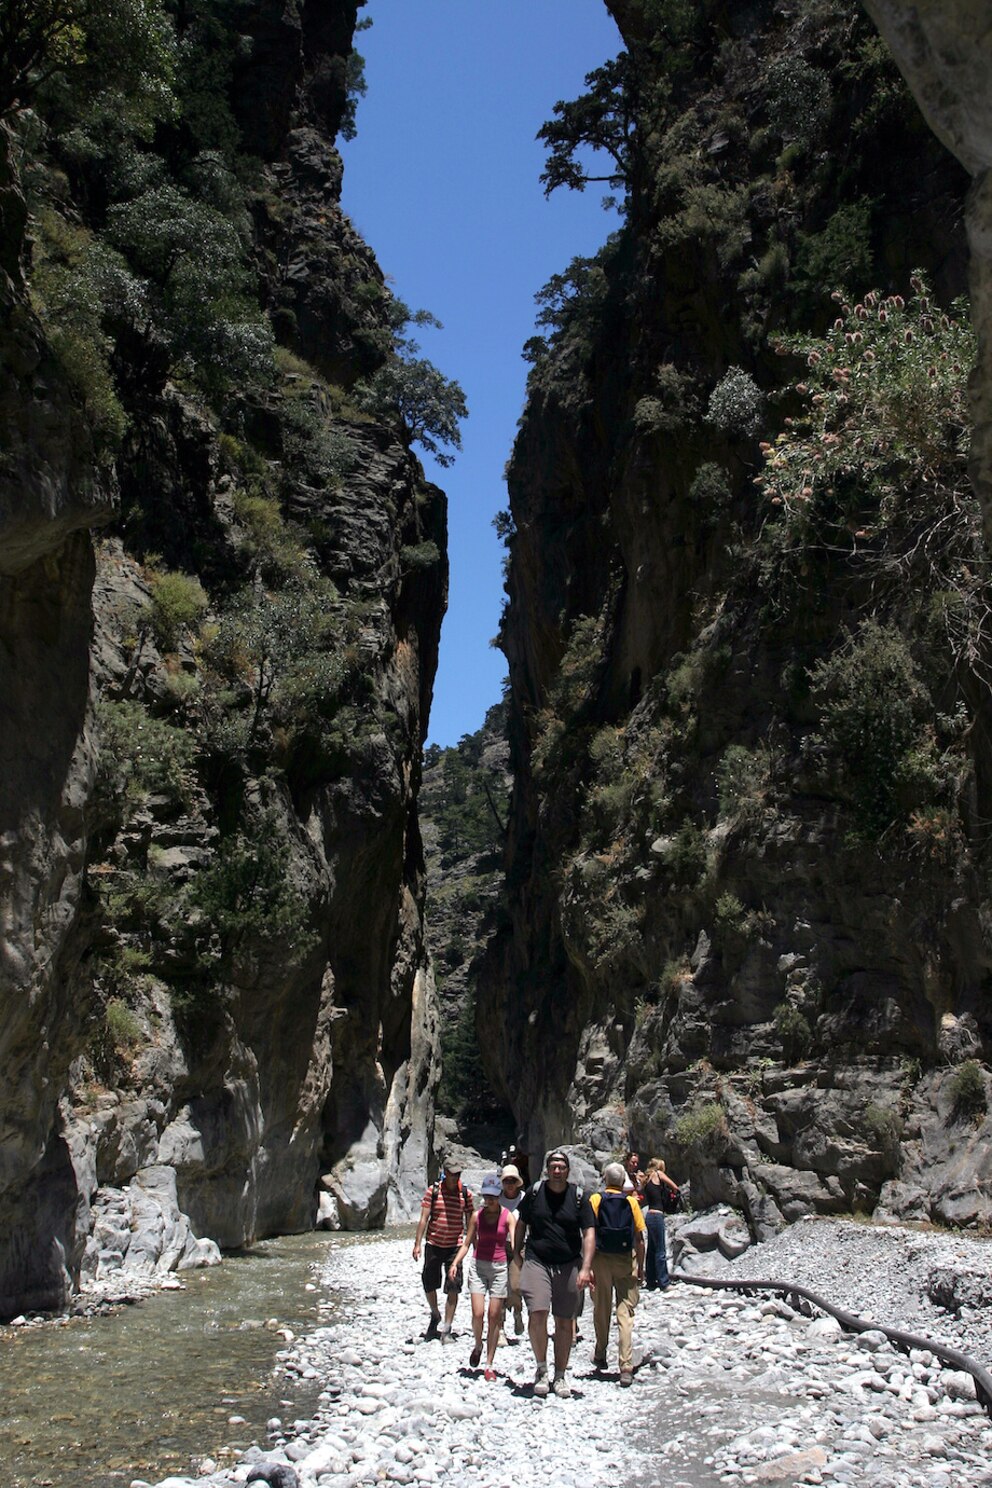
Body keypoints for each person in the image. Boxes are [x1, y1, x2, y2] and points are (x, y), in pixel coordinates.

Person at [513, 1149, 596, 1399]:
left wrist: (586, 1267)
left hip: (569, 1263)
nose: (557, 1171)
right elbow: (521, 1223)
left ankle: (560, 1375)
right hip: (537, 1260)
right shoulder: (535, 1193)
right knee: (537, 1312)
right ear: (547, 1170)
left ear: (568, 1171)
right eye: (553, 1167)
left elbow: (589, 1233)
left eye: (561, 1167)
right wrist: (517, 1252)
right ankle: (541, 1370)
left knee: (564, 1321)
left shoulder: (579, 1198)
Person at [448, 1173, 516, 1380]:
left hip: (499, 1267)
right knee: (478, 1313)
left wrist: (521, 1259)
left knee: (494, 1315)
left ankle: (488, 1364)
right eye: (487, 1196)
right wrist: (455, 1262)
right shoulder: (477, 1216)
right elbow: (467, 1242)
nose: (490, 1200)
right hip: (478, 1266)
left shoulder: (508, 1217)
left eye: (493, 1196)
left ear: (500, 1195)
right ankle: (478, 1344)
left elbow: (515, 1242)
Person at [589, 1160, 646, 1386]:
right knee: (625, 1313)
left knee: (602, 1308)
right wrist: (640, 1267)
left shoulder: (595, 1200)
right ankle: (625, 1365)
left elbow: (588, 1232)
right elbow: (640, 1238)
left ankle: (601, 1354)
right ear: (623, 1181)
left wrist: (587, 1265)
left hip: (601, 1260)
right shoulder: (631, 1202)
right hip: (625, 1260)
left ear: (605, 1179)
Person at [411, 1156, 473, 1342]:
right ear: (445, 1174)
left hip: (455, 1246)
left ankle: (446, 1328)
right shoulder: (434, 1191)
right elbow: (424, 1218)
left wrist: (471, 1242)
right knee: (429, 1282)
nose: (455, 1178)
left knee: (454, 1285)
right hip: (434, 1244)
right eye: (452, 1175)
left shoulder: (465, 1194)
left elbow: (471, 1220)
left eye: (458, 1175)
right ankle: (435, 1313)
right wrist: (417, 1243)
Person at [640, 1157, 679, 1290]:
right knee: (660, 1250)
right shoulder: (658, 1174)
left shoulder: (647, 1179)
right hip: (657, 1215)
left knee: (651, 1250)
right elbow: (675, 1187)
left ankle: (651, 1281)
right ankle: (664, 1282)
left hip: (649, 1215)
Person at [499, 1164, 526, 1338]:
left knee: (516, 1286)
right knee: (499, 1288)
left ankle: (517, 1310)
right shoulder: (496, 1198)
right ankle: (500, 1329)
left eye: (512, 1180)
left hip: (520, 1247)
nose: (510, 1183)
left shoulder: (526, 1199)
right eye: (506, 1180)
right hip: (500, 1246)